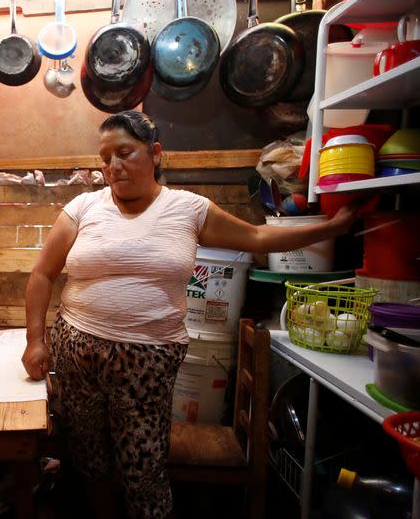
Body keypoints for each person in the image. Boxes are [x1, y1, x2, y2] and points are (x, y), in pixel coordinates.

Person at [21, 111, 358, 519]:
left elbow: (256, 236)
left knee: (143, 469)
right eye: (105, 157)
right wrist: (35, 339)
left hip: (147, 361)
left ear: (155, 153)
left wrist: (331, 228)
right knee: (89, 460)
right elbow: (42, 274)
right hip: (78, 352)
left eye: (124, 153)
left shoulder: (188, 209)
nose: (113, 166)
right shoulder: (83, 207)